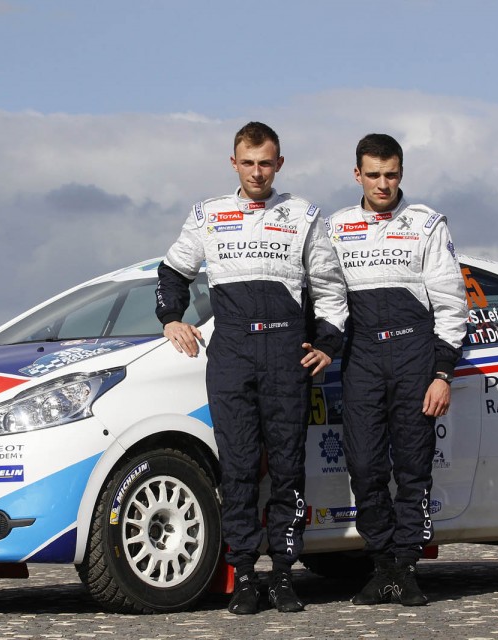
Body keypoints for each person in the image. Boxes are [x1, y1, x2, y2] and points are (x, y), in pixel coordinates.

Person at [155, 121, 347, 614]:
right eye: (248, 162)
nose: (257, 172)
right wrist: (171, 319)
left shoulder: (303, 214)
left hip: (286, 356)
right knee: (238, 470)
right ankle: (242, 575)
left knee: (287, 470)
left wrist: (327, 342)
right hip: (232, 355)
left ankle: (283, 574)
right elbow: (173, 270)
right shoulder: (209, 214)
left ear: (279, 164)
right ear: (234, 163)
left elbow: (328, 286)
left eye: (266, 163)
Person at [326, 133, 467, 606]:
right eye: (373, 175)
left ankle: (404, 566)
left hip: (414, 357)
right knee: (363, 465)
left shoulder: (427, 223)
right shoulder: (337, 226)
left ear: (401, 173)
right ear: (357, 175)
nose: (382, 184)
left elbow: (451, 304)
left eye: (390, 174)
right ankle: (381, 562)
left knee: (412, 469)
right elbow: (324, 297)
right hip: (362, 355)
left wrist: (441, 373)